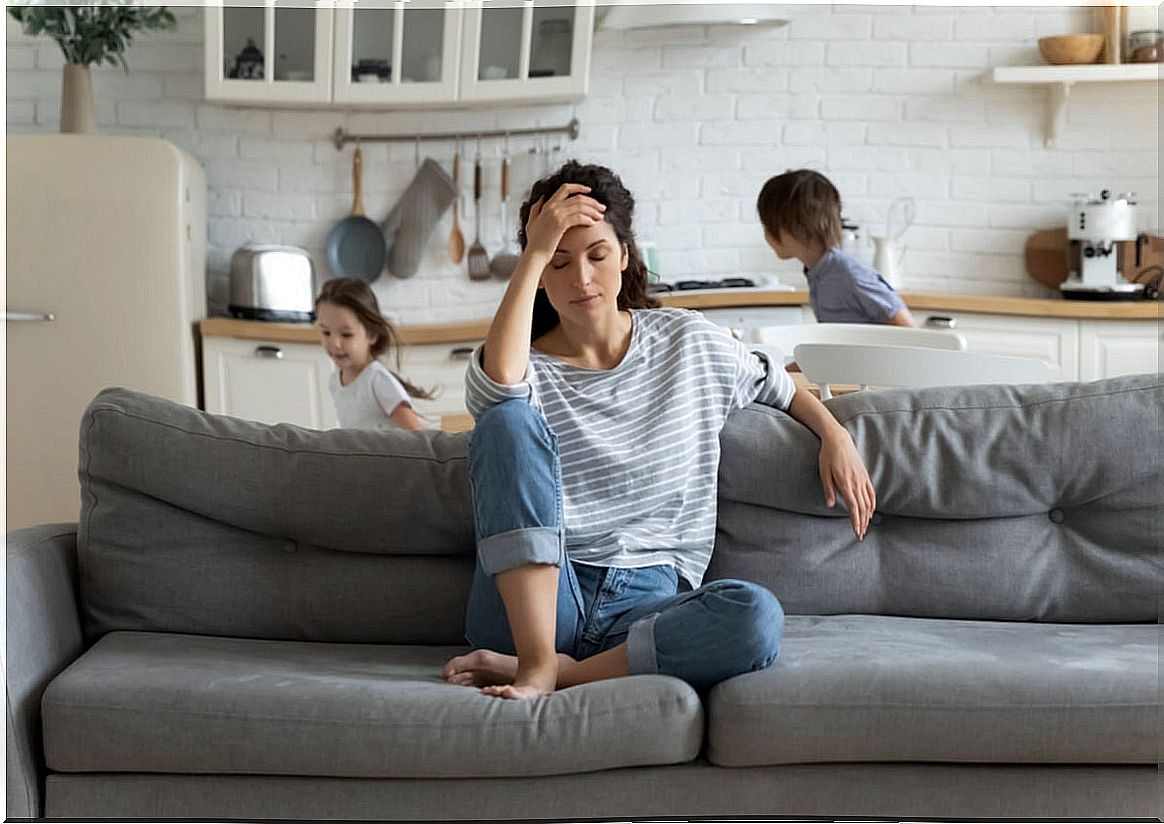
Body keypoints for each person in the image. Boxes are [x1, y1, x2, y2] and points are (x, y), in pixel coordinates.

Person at [441, 162, 876, 701]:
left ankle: (562, 673)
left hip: (646, 607)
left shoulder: (686, 342)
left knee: (755, 615)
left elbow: (780, 387)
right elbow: (499, 391)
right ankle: (534, 663)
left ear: (625, 255)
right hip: (540, 595)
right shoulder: (524, 366)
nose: (580, 279)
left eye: (597, 255)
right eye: (558, 262)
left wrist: (836, 434)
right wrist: (533, 248)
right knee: (506, 420)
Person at [758, 169, 914, 327]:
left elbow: (908, 329)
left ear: (796, 227)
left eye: (768, 226)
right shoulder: (818, 272)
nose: (765, 235)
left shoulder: (850, 275)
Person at [314, 277, 430, 431]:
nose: (334, 343)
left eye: (346, 334)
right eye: (326, 332)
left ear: (372, 334)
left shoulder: (378, 380)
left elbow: (418, 434)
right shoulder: (335, 380)